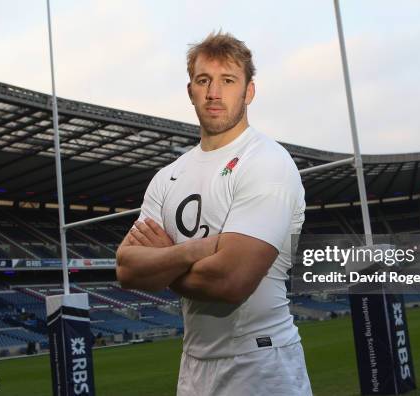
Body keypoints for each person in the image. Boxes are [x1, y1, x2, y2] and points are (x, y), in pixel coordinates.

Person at [116, 31, 311, 395]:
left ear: (249, 91)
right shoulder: (168, 176)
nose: (214, 92)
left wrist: (162, 264)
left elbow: (231, 280)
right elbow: (127, 269)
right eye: (204, 80)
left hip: (260, 362)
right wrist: (195, 251)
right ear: (190, 91)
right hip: (192, 365)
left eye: (228, 80)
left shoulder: (267, 161)